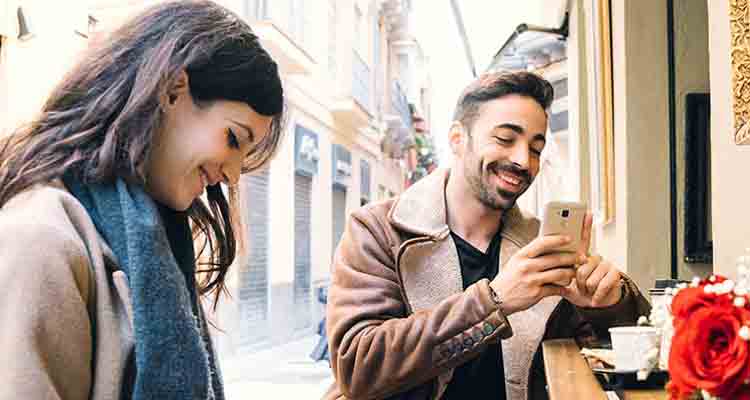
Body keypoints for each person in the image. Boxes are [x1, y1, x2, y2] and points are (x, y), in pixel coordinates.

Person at [0, 1, 285, 399]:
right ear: (172, 91)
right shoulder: (42, 240)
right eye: (233, 139)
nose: (233, 175)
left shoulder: (152, 247)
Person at [323, 71, 650, 400]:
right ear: (457, 139)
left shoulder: (541, 247)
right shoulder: (378, 230)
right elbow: (357, 368)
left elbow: (629, 354)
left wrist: (608, 305)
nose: (523, 160)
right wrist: (494, 301)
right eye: (506, 139)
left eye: (536, 148)